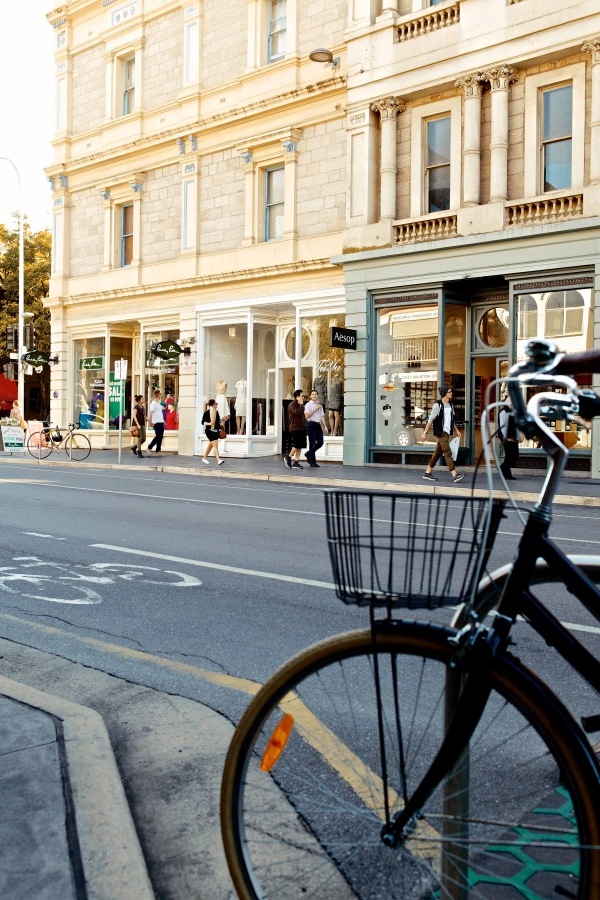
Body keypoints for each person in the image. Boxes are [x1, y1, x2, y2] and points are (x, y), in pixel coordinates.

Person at [420, 385, 464, 483]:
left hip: (447, 432)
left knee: (438, 453)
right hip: (441, 432)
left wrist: (457, 430)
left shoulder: (451, 405)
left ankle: (427, 473)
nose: (451, 393)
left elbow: (452, 420)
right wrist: (425, 433)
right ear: (444, 394)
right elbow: (430, 420)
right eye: (449, 392)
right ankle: (455, 475)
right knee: (448, 452)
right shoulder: (438, 405)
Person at [304, 389, 328, 467]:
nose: (315, 395)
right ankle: (312, 461)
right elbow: (307, 416)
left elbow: (322, 416)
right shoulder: (308, 405)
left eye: (316, 394)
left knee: (320, 442)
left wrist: (325, 426)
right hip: (311, 424)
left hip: (318, 425)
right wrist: (314, 409)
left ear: (317, 395)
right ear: (310, 396)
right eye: (313, 394)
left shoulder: (319, 405)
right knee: (312, 443)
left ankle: (308, 454)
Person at [284, 389, 307, 469]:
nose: (303, 398)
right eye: (301, 396)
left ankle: (296, 462)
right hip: (294, 428)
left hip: (301, 427)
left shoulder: (301, 405)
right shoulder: (292, 405)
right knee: (297, 445)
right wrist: (301, 405)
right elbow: (297, 412)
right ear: (297, 397)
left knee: (300, 446)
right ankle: (288, 457)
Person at [499, 403, 520, 480]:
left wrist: (517, 436)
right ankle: (507, 473)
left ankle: (503, 468)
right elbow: (503, 426)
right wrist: (506, 437)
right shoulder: (504, 411)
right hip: (507, 437)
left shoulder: (513, 411)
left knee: (514, 454)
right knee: (509, 455)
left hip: (513, 437)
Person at [201, 398, 224, 465]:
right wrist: (209, 423)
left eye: (216, 403)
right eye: (215, 403)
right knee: (215, 445)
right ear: (212, 405)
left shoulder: (216, 412)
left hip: (216, 431)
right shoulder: (206, 413)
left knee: (210, 445)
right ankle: (218, 460)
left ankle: (204, 458)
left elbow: (218, 421)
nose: (216, 405)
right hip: (209, 431)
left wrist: (222, 419)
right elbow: (202, 422)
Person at [147, 388, 165, 456]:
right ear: (158, 395)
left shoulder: (158, 403)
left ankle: (158, 450)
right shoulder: (153, 403)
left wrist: (163, 420)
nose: (160, 395)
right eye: (160, 394)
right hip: (156, 423)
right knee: (158, 436)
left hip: (160, 422)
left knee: (160, 436)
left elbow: (159, 413)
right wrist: (150, 421)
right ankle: (149, 447)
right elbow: (151, 413)